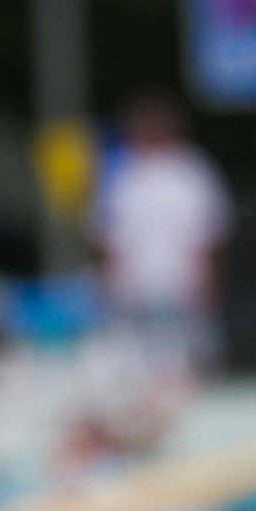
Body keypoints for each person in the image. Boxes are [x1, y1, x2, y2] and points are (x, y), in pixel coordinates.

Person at [98, 94, 232, 377]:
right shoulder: (124, 172)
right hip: (136, 287)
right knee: (139, 367)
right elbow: (111, 236)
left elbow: (209, 233)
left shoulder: (191, 171)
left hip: (182, 284)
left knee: (185, 365)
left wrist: (209, 280)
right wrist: (112, 284)